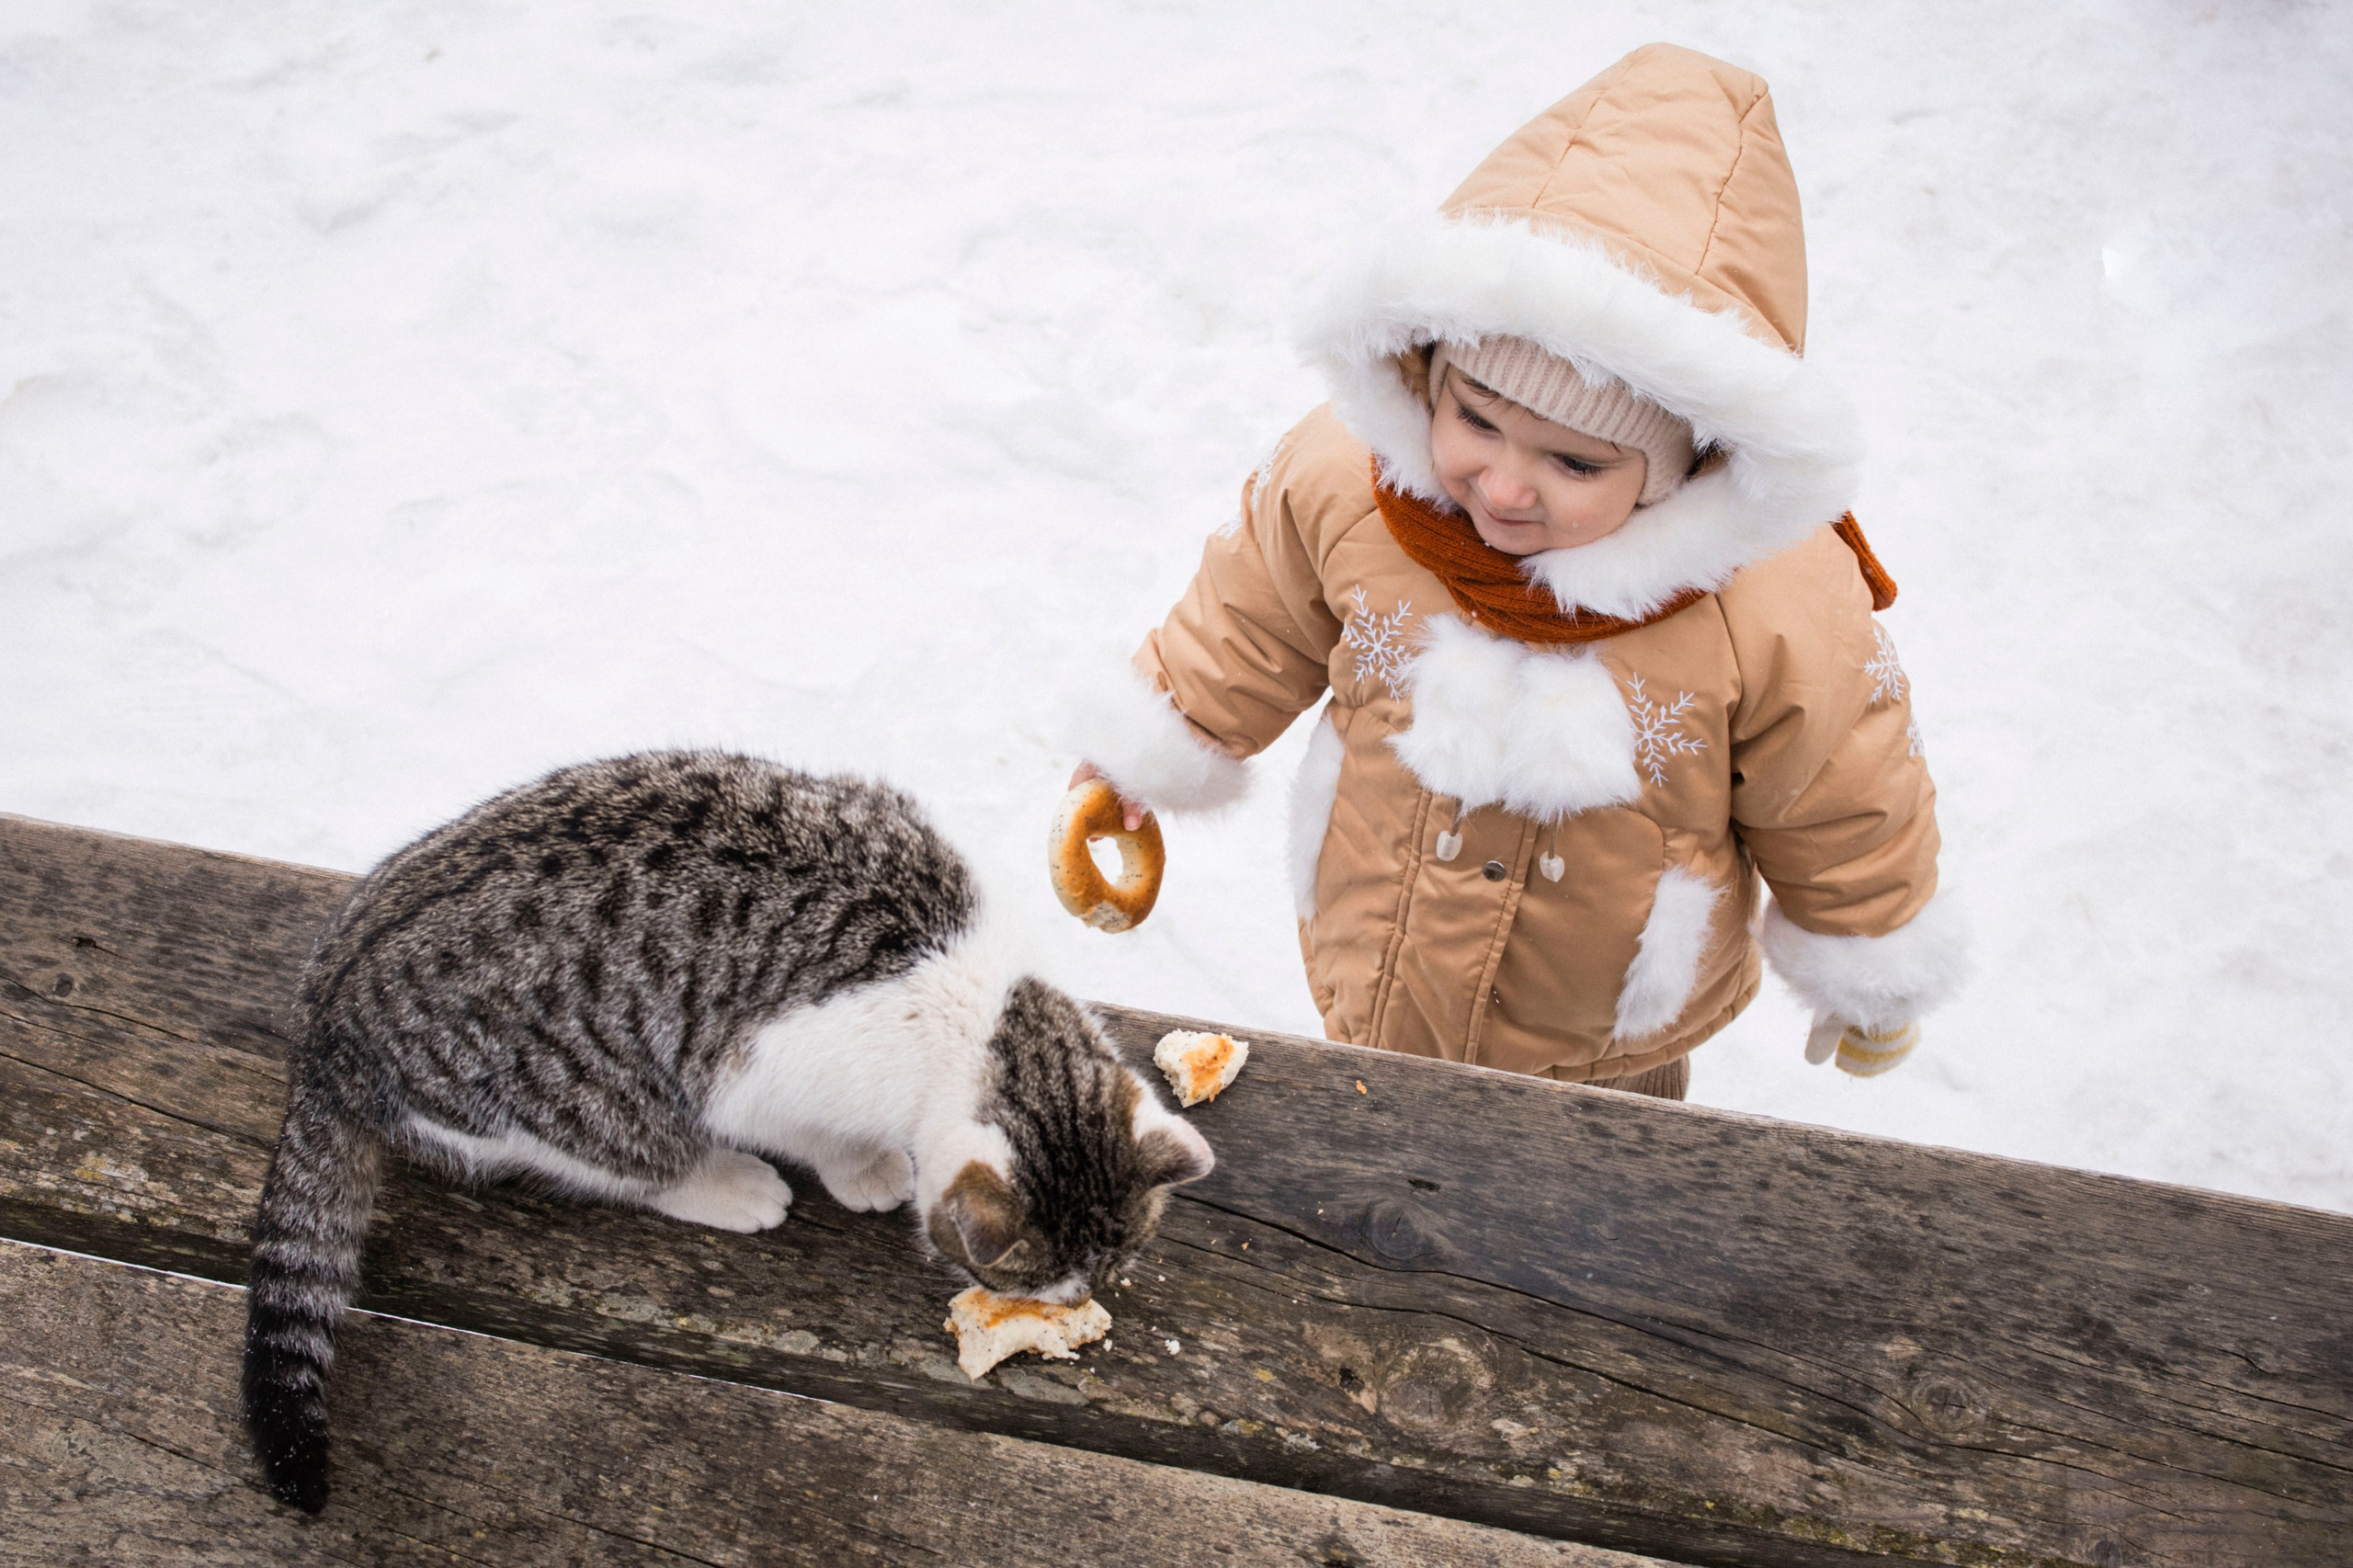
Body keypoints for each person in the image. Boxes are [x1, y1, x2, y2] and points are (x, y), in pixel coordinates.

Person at [1063, 43, 1966, 1099]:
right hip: (1374, 964)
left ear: (1690, 460)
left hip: (1607, 1046)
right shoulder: (1350, 483)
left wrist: (1872, 963)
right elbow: (1249, 620)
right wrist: (1153, 740)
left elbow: (1841, 789)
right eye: (1475, 418)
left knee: (1583, 1192)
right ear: (1428, 366)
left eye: (1575, 464)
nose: (1501, 486)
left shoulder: (1768, 600)